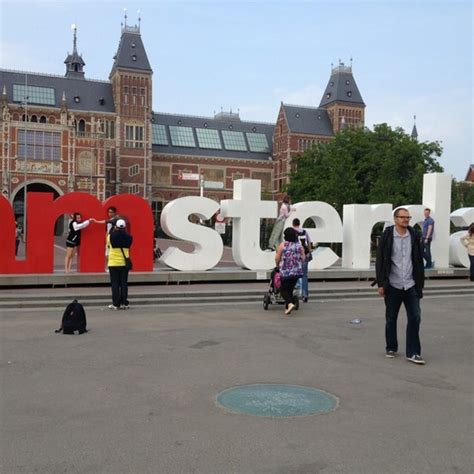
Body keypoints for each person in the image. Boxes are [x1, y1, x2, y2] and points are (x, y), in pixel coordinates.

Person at [375, 208, 425, 364]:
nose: (406, 220)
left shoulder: (414, 236)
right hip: (393, 284)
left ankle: (413, 352)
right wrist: (381, 283)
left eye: (408, 217)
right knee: (391, 318)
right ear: (395, 219)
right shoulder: (387, 236)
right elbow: (380, 260)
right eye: (402, 217)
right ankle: (391, 346)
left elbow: (418, 261)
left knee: (415, 317)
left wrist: (420, 283)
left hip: (411, 284)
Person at [275, 227, 305, 315]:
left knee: (282, 289)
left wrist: (277, 266)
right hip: (296, 272)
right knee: (290, 289)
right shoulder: (299, 246)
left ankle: (290, 303)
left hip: (285, 271)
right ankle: (287, 307)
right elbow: (303, 258)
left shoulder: (283, 245)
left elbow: (277, 258)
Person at [107, 218, 133, 310]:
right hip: (124, 263)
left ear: (116, 227)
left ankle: (116, 304)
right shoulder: (129, 237)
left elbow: (108, 245)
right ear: (125, 227)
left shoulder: (110, 236)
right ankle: (124, 303)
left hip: (113, 263)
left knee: (115, 284)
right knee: (123, 283)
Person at [292, 218, 313, 302]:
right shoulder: (304, 231)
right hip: (305, 255)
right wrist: (309, 252)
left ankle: (295, 293)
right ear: (299, 223)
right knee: (304, 275)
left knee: (294, 274)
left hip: (296, 256)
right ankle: (305, 295)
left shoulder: (291, 232)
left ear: (293, 224)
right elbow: (309, 242)